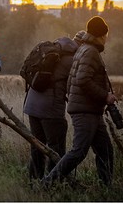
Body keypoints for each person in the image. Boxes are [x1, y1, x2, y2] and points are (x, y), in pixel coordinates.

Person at [43, 16, 117, 187]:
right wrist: (105, 96)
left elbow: (74, 80)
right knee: (78, 152)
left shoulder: (84, 48)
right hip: (86, 111)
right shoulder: (90, 51)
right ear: (101, 35)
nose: (107, 37)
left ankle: (106, 189)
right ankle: (47, 183)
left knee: (105, 150)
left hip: (91, 110)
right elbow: (83, 80)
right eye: (106, 34)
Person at [23, 31, 84, 181]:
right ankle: (53, 184)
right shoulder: (72, 60)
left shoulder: (52, 50)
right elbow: (77, 87)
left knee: (37, 147)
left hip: (32, 106)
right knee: (56, 150)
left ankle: (34, 182)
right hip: (51, 110)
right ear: (81, 45)